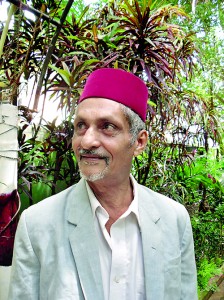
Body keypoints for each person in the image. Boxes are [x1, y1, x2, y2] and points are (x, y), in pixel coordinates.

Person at [8, 68, 198, 300]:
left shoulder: (174, 220)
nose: (86, 141)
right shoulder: (37, 225)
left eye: (107, 126)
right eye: (81, 126)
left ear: (139, 142)